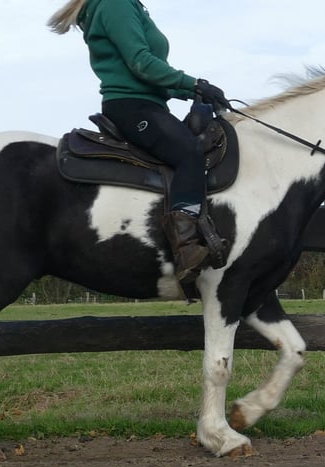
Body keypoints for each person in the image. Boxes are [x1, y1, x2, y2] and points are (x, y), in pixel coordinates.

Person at [48, 0, 229, 282]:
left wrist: (195, 93)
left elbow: (152, 73)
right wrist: (193, 83)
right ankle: (186, 246)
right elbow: (141, 63)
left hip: (147, 104)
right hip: (132, 107)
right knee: (189, 152)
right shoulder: (116, 4)